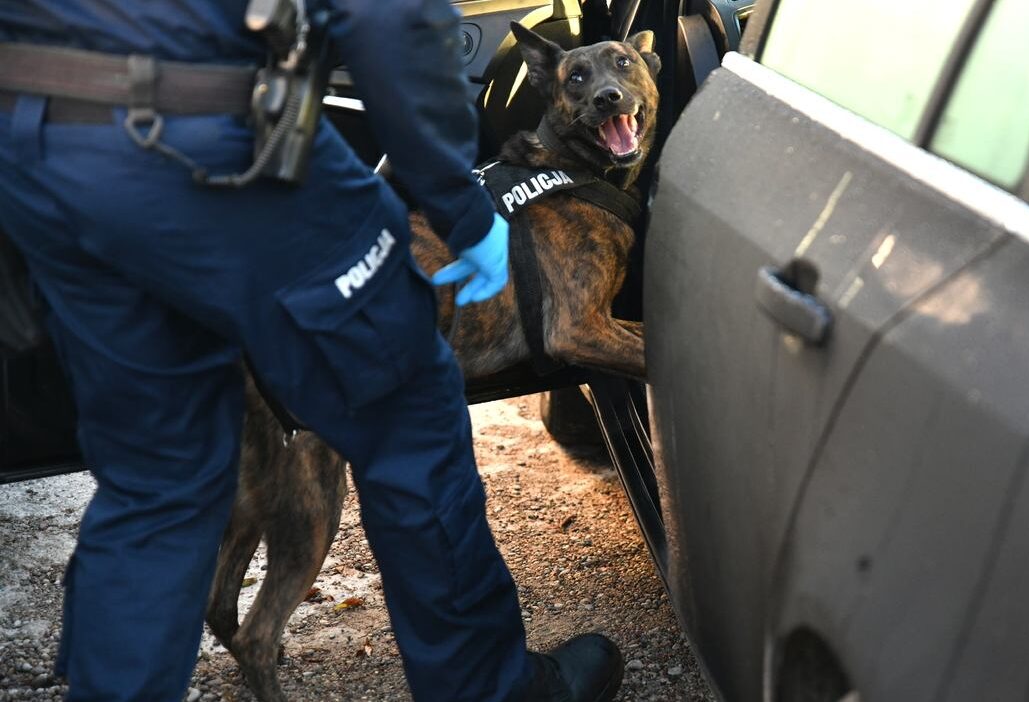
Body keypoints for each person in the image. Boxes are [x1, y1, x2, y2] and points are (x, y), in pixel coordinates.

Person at [0, 1, 623, 700]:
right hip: (215, 137)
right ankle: (491, 689)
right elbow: (390, 17)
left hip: (42, 155)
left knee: (157, 479)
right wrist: (461, 206)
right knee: (406, 415)